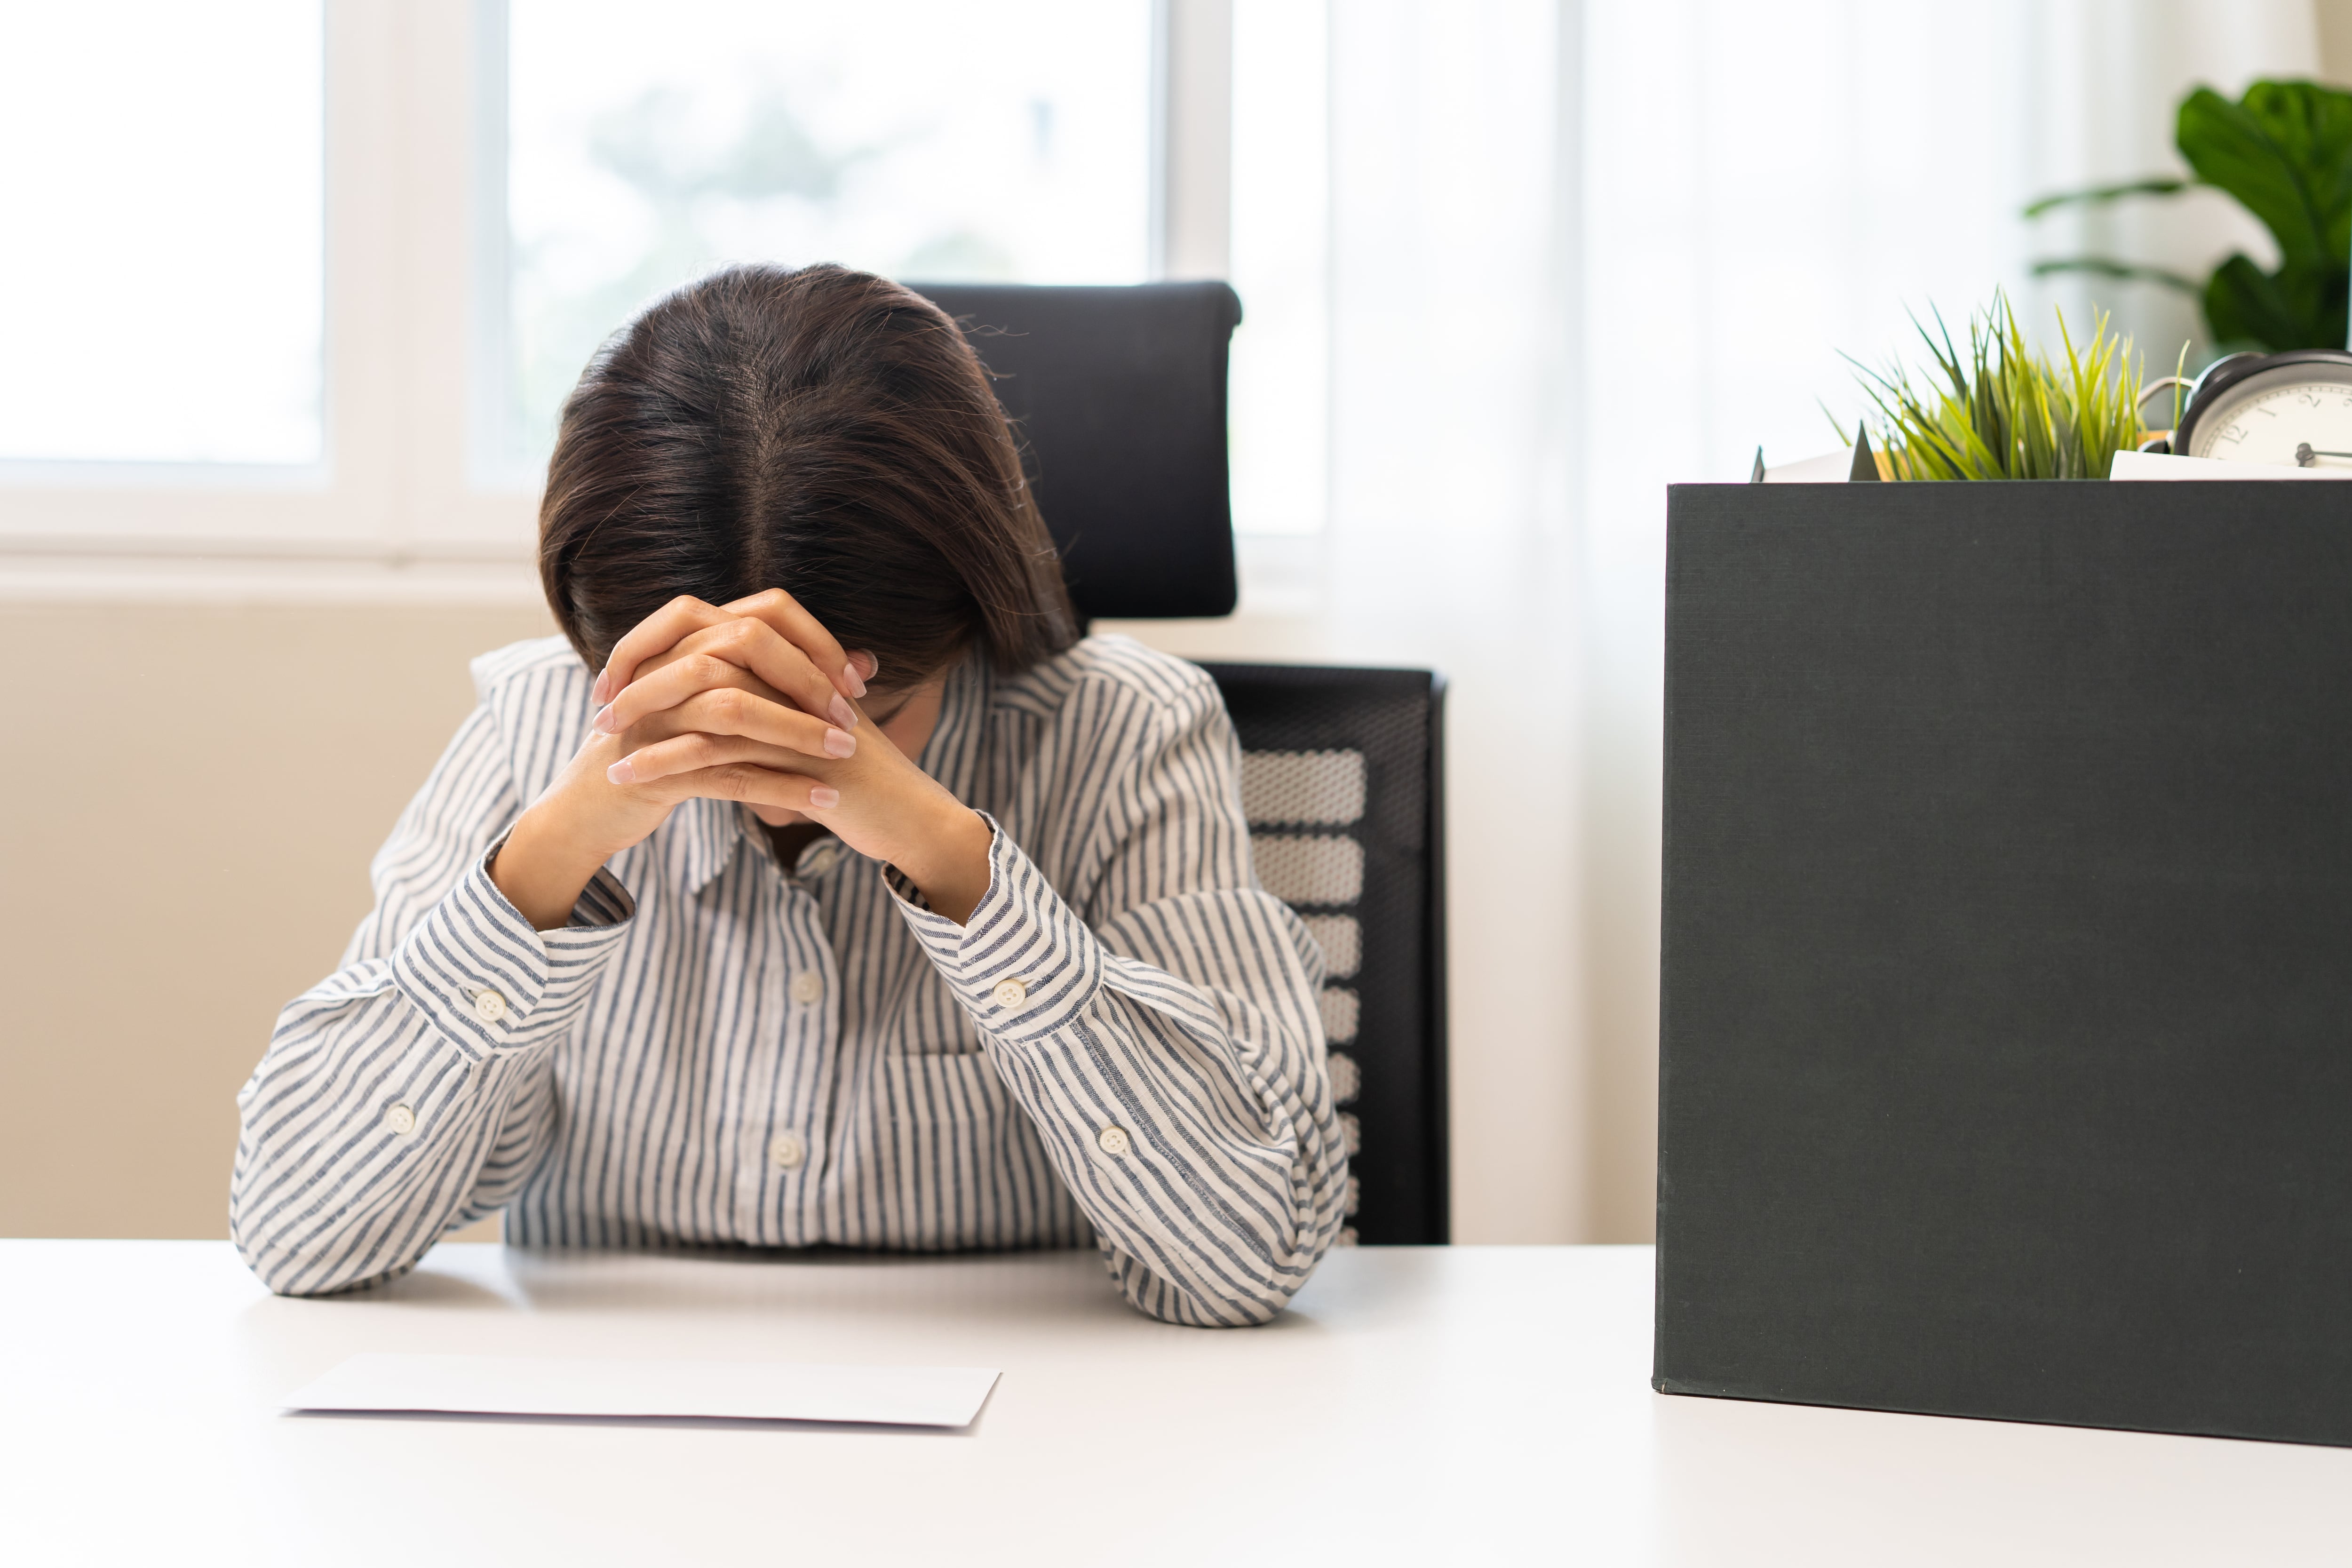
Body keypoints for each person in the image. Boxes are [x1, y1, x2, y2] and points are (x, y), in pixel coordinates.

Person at [229, 263, 1346, 1327]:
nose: (776, 782)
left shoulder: (1126, 732)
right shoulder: (536, 723)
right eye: (704, 718)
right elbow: (297, 1235)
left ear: (969, 615)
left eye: (855, 718)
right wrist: (550, 862)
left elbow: (1253, 1258)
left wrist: (956, 865)